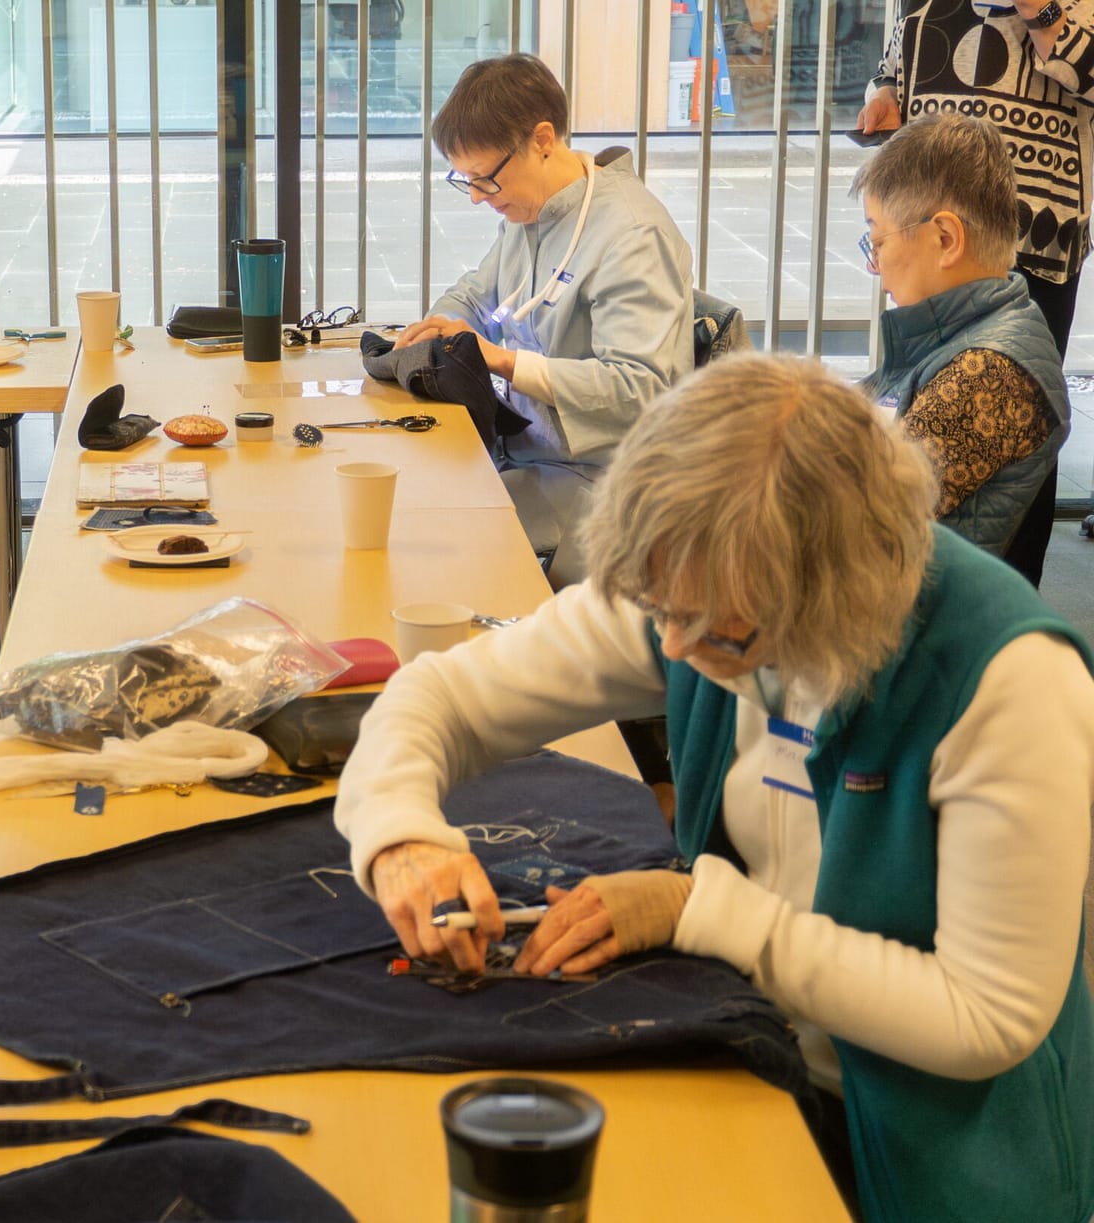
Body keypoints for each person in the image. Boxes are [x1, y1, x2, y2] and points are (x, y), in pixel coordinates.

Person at [334, 353, 1094, 1222]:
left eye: (720, 636)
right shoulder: (696, 578)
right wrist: (400, 833)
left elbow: (985, 1019)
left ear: (829, 594)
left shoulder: (1010, 681)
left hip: (936, 1155)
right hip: (752, 1053)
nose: (675, 649)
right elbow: (442, 698)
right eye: (662, 614)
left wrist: (700, 910)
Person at [396, 53, 693, 586]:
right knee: (408, 493)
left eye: (485, 179)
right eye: (466, 180)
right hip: (525, 454)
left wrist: (503, 361)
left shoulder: (631, 235)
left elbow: (642, 387)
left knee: (423, 539)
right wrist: (438, 327)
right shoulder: (529, 209)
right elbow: (476, 294)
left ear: (542, 139)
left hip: (600, 480)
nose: (478, 198)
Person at [857, 0, 1094, 582]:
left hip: (1030, 224)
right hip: (924, 205)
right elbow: (900, 50)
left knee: (1001, 418)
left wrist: (1041, 11)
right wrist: (884, 92)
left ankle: (1014, 601)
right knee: (917, 394)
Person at [856, 113, 1069, 558]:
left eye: (877, 242)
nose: (875, 267)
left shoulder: (989, 371)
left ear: (946, 239)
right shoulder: (955, 333)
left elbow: (857, 518)